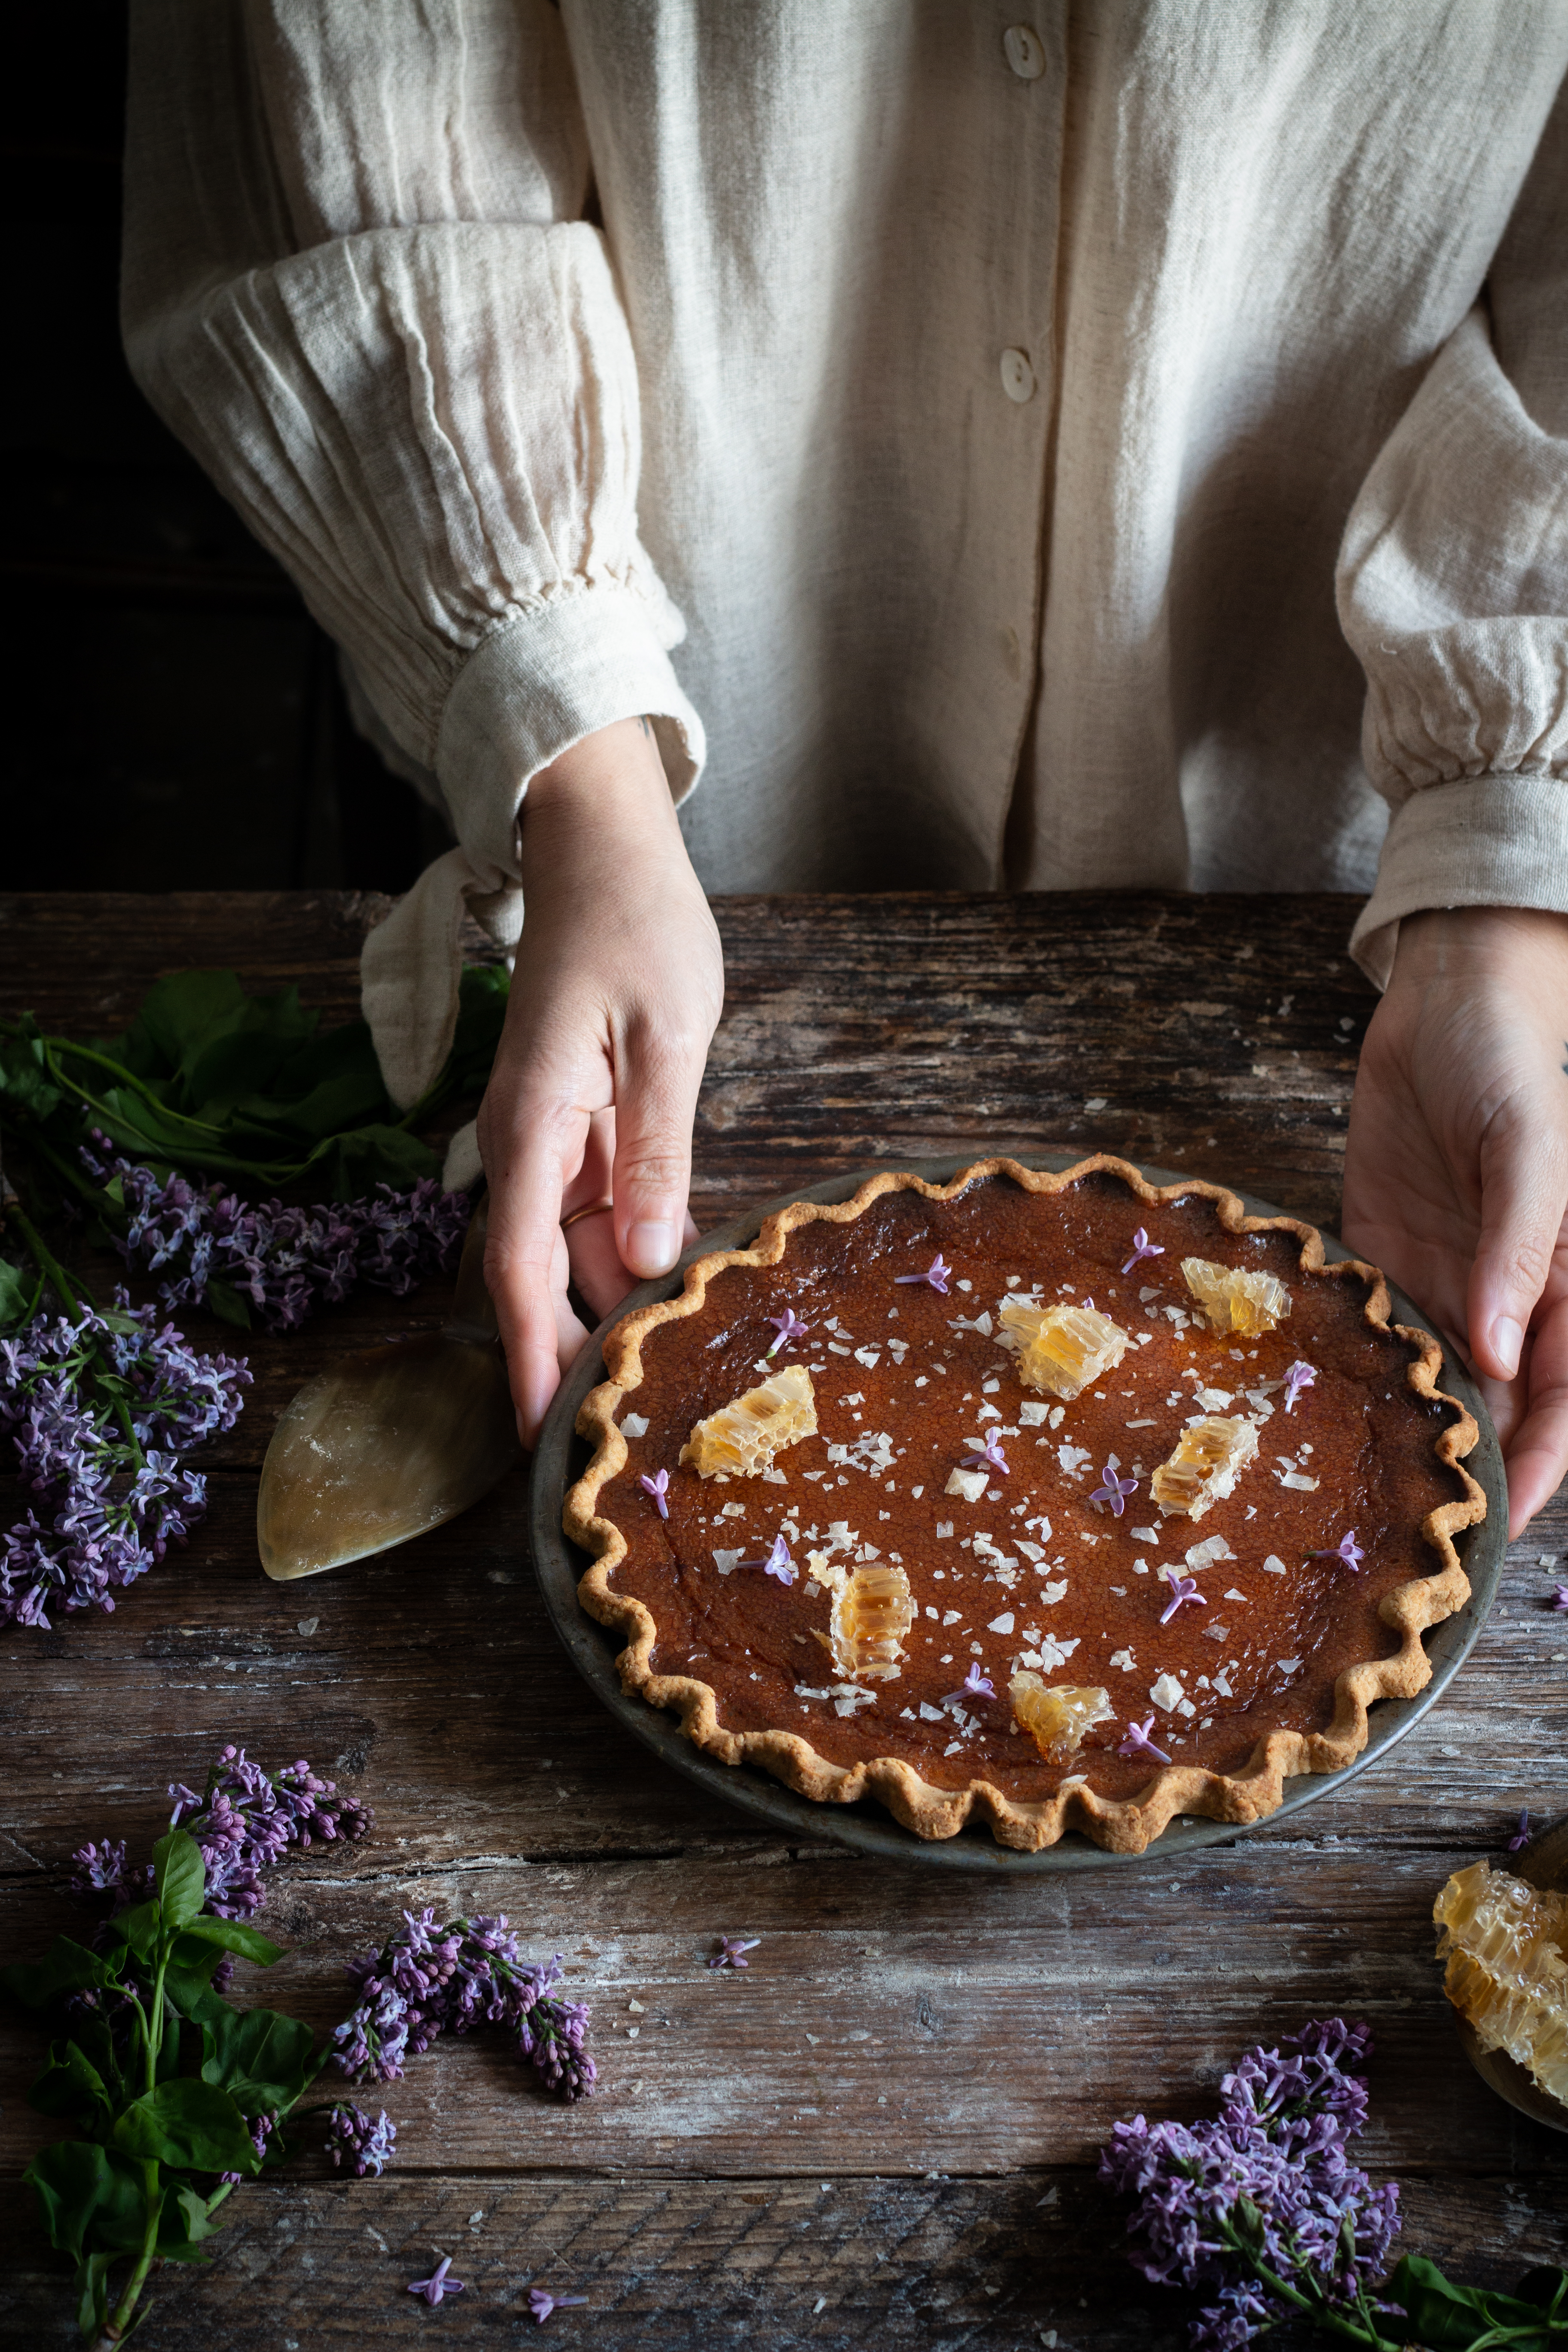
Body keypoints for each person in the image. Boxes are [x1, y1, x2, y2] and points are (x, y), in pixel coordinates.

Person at [123, 3, 1567, 1531]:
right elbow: (384, 105)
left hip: (1320, 853)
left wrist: (1504, 907)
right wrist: (593, 793)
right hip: (670, 768)